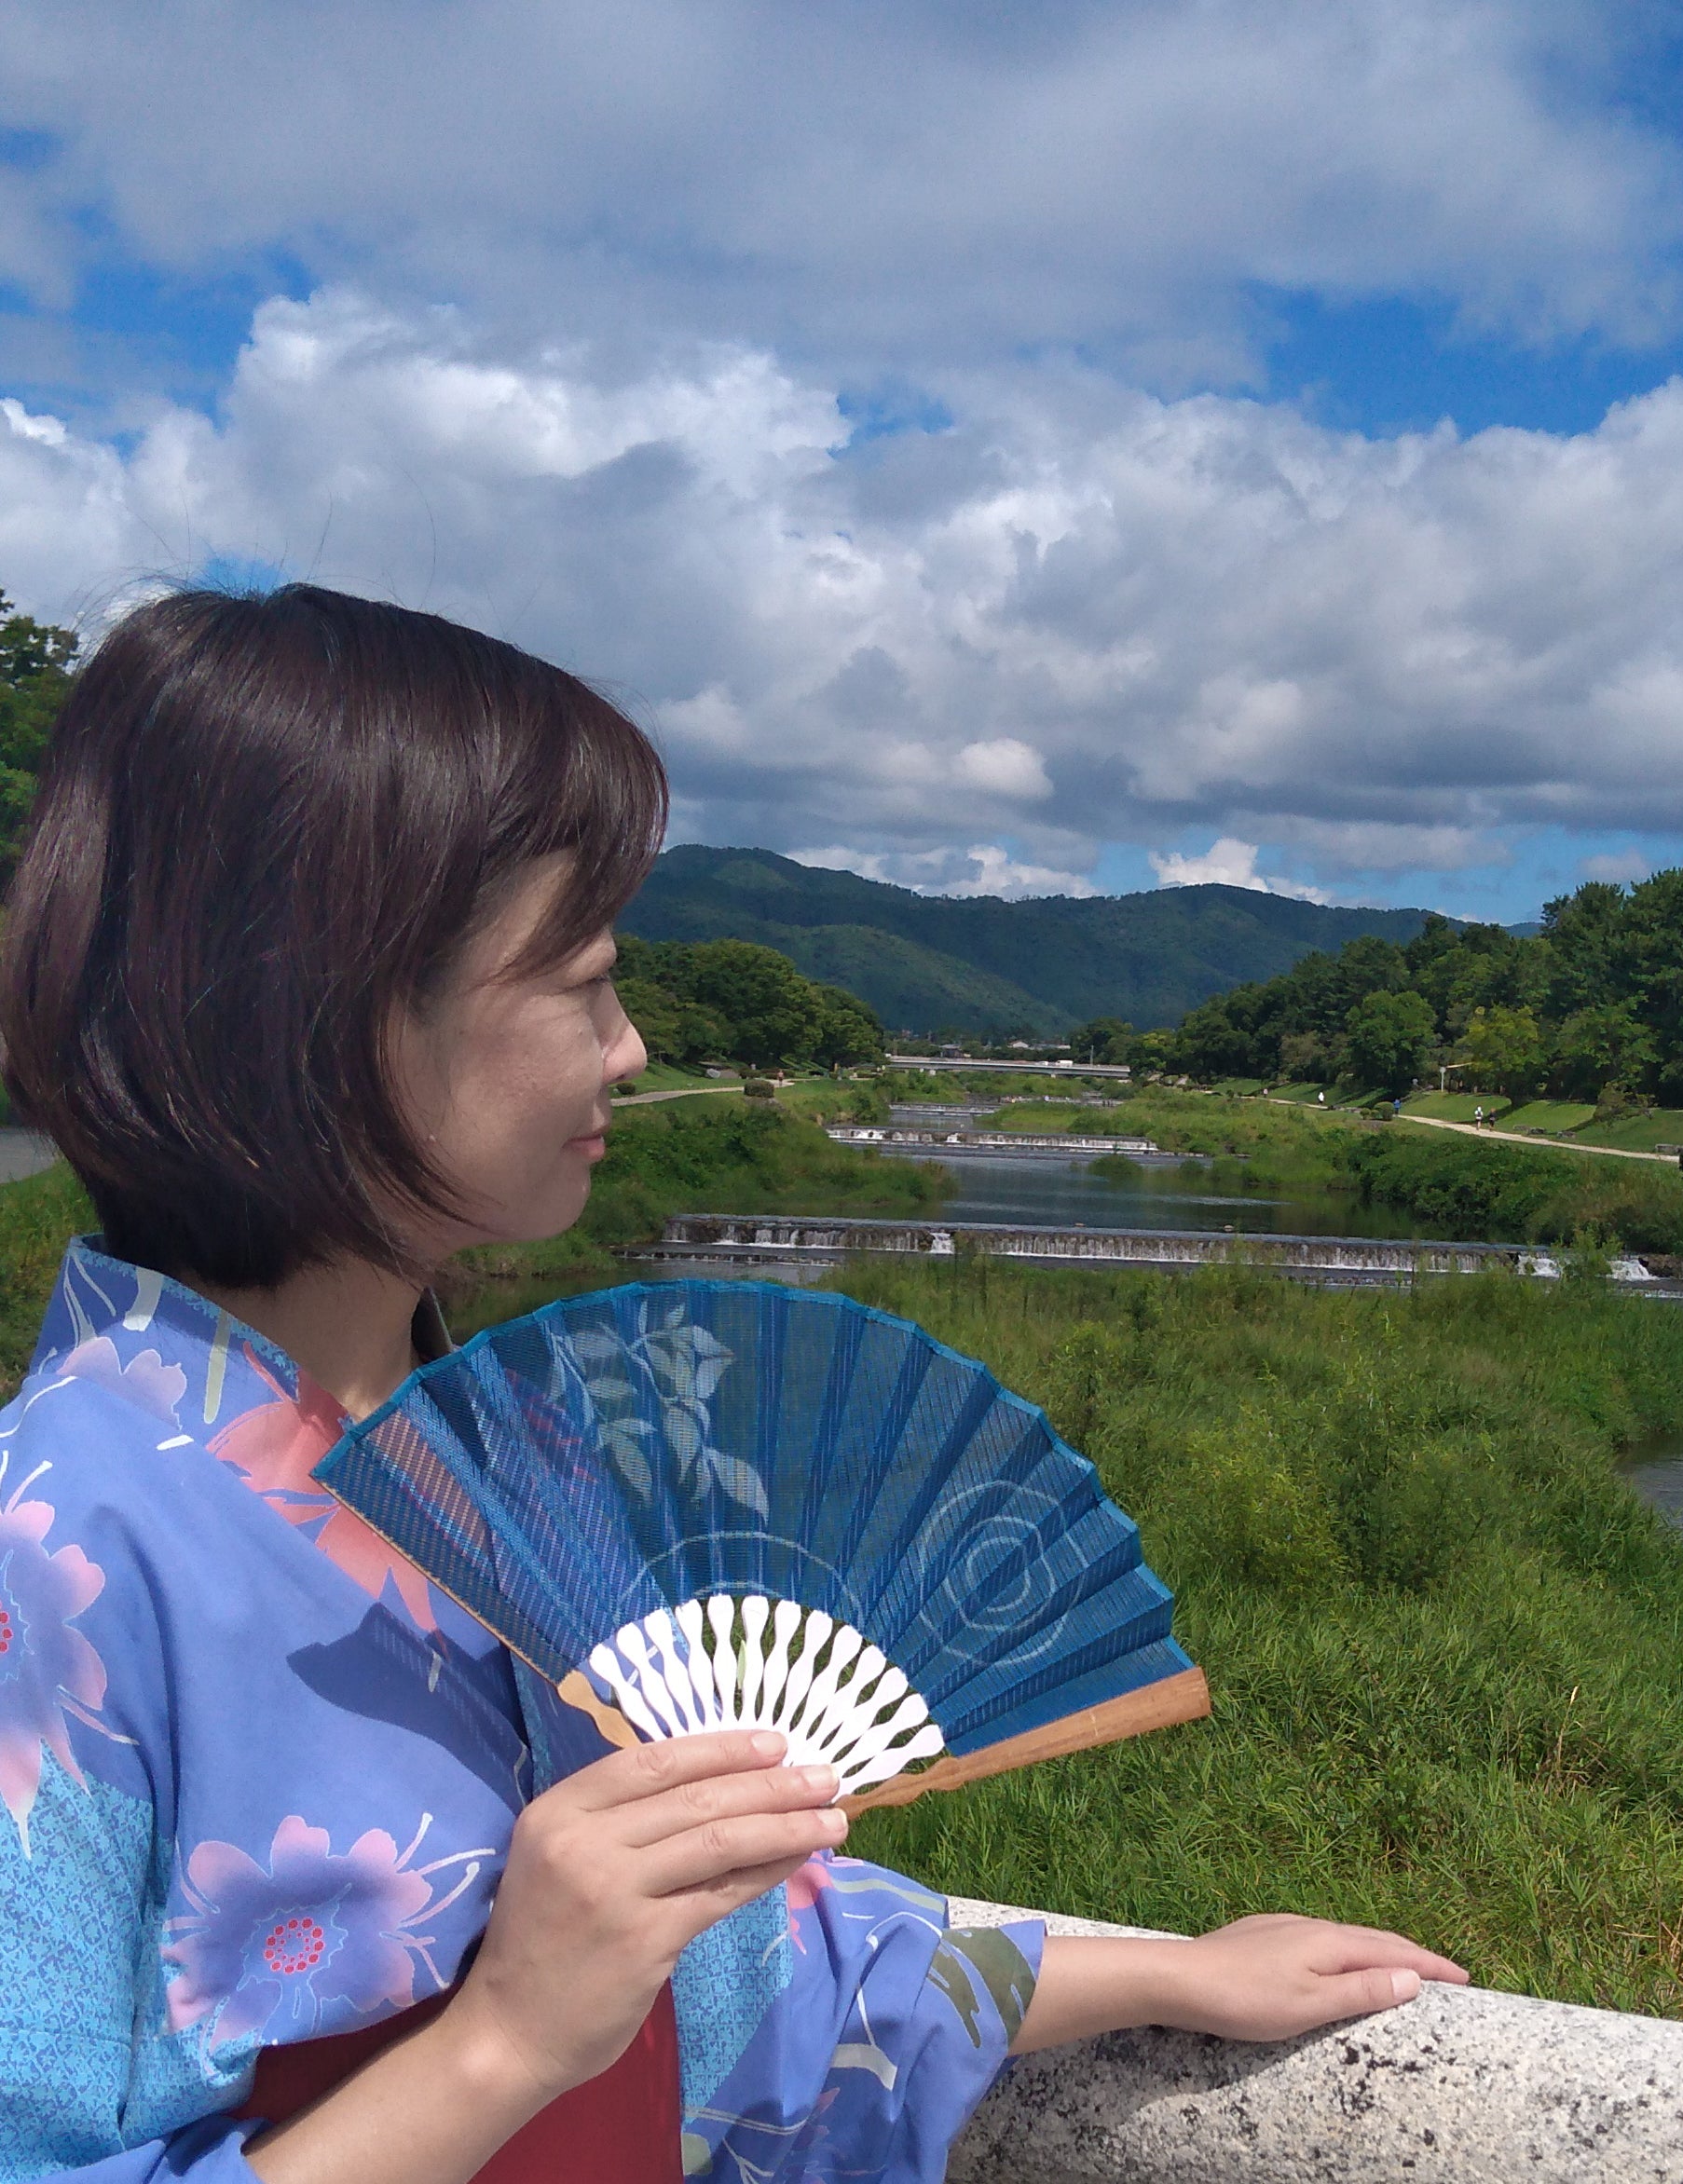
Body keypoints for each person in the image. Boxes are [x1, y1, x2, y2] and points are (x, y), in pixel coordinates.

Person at [0, 587, 1463, 2184]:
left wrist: (1165, 1971)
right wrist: (505, 2042)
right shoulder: (49, 1550)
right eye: (583, 982)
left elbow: (729, 1961)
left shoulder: (506, 1457)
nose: (630, 1049)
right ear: (332, 1012)